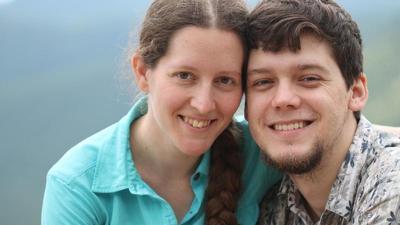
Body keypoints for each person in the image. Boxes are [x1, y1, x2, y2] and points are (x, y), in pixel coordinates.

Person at [41, 0, 281, 225]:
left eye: (225, 80)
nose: (204, 104)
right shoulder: (77, 185)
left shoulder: (264, 152)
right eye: (185, 76)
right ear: (143, 72)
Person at [245, 0, 400, 224]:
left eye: (309, 78)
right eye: (263, 82)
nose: (283, 100)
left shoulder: (392, 184)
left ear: (355, 92)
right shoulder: (272, 204)